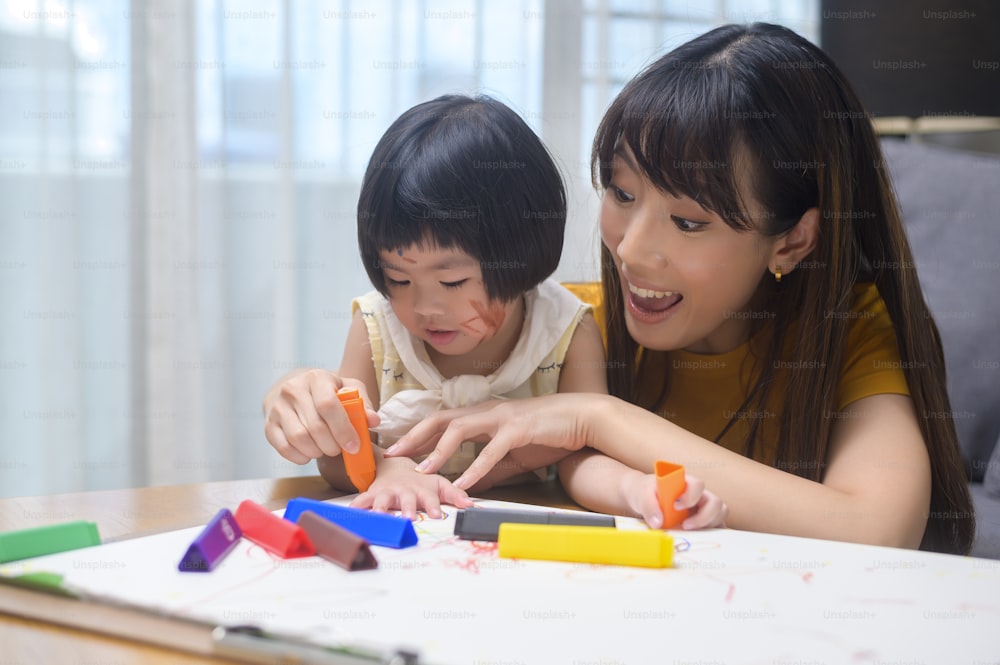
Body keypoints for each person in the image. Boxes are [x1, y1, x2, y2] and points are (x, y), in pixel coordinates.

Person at [384, 24, 976, 555]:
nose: (631, 250)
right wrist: (314, 401)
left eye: (690, 222)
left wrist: (596, 417)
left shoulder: (848, 333)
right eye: (621, 193)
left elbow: (876, 528)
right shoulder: (571, 327)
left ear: (793, 240)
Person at [262, 94, 728, 529]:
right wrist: (388, 470)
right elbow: (341, 451)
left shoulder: (566, 331)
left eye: (452, 282)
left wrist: (635, 489)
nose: (424, 307)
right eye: (398, 280)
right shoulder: (376, 328)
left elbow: (580, 460)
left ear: (519, 256)